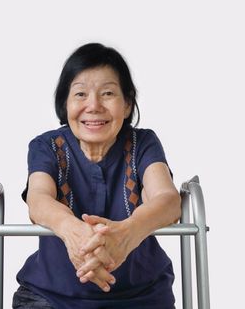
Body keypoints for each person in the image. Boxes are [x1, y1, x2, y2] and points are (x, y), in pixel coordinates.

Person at [13, 43, 181, 309]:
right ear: (64, 103)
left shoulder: (143, 143)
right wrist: (76, 234)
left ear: (126, 104)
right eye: (80, 94)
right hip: (51, 297)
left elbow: (168, 200)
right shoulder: (46, 146)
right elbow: (38, 199)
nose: (93, 106)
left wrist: (126, 235)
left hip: (141, 297)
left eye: (107, 93)